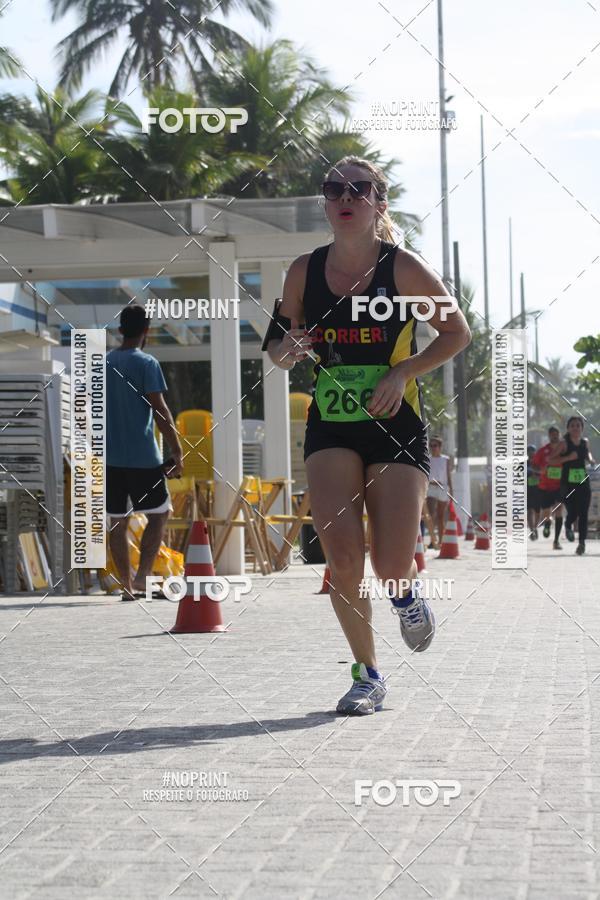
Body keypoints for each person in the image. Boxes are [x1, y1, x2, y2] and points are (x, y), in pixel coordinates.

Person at [265, 156, 471, 715]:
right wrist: (292, 348)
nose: (344, 196)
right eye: (333, 189)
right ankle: (368, 675)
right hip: (331, 425)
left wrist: (403, 371)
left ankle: (405, 595)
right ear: (326, 204)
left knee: (388, 563)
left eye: (359, 188)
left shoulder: (401, 268)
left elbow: (457, 331)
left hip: (394, 427)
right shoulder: (302, 271)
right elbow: (277, 350)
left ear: (379, 201)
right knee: (342, 557)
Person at [106, 304, 183, 600]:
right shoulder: (147, 363)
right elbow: (160, 410)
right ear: (146, 331)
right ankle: (142, 578)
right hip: (143, 458)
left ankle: (126, 584)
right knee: (160, 514)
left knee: (118, 520)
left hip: (112, 459)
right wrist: (177, 450)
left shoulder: (104, 363)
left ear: (121, 330)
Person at [547, 416, 595, 555]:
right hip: (567, 484)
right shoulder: (564, 444)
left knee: (584, 513)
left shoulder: (585, 442)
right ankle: (568, 525)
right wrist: (568, 458)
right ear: (568, 428)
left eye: (578, 425)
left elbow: (588, 454)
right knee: (573, 512)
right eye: (572, 425)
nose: (575, 428)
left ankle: (582, 544)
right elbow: (551, 460)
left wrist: (591, 459)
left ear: (582, 428)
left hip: (583, 482)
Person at [533, 426, 565, 549]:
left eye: (556, 434)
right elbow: (534, 465)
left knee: (559, 510)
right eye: (552, 434)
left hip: (559, 486)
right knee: (546, 512)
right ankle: (547, 522)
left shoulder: (564, 450)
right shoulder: (542, 451)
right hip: (545, 486)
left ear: (559, 435)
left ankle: (556, 541)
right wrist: (540, 470)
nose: (554, 436)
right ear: (549, 436)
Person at [426, 436, 453, 548]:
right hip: (431, 488)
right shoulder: (427, 458)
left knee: (441, 516)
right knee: (431, 514)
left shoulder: (445, 459)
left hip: (443, 487)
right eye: (431, 446)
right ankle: (433, 539)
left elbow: (448, 475)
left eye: (435, 445)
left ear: (440, 447)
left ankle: (441, 540)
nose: (433, 448)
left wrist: (452, 490)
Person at [527, 444, 541, 540]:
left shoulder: (539, 463)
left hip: (538, 489)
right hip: (528, 489)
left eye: (533, 451)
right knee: (529, 510)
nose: (531, 453)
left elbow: (544, 473)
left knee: (537, 510)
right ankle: (531, 530)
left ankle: (535, 527)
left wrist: (537, 476)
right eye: (529, 451)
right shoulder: (523, 464)